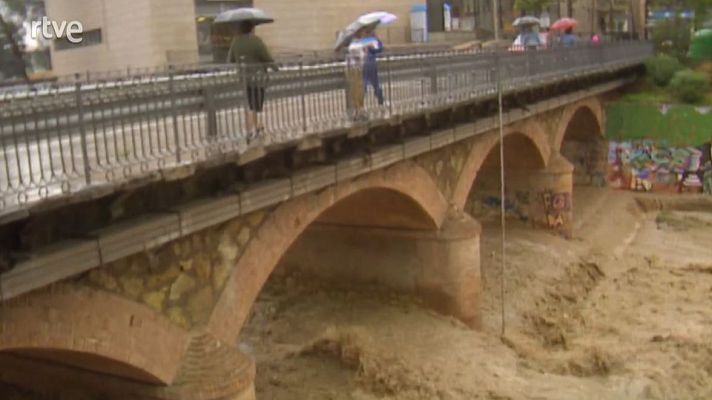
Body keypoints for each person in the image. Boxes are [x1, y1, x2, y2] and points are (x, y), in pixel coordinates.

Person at [227, 21, 277, 143]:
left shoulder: (235, 42)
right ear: (251, 28)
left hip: (245, 78)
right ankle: (258, 127)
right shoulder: (256, 41)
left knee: (250, 103)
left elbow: (230, 59)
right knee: (258, 103)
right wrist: (276, 68)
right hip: (258, 78)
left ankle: (251, 129)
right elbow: (267, 57)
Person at [361, 30, 385, 106]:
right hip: (371, 62)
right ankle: (379, 97)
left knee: (364, 80)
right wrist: (378, 39)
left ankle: (361, 99)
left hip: (363, 63)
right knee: (375, 81)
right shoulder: (373, 40)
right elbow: (379, 48)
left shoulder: (362, 40)